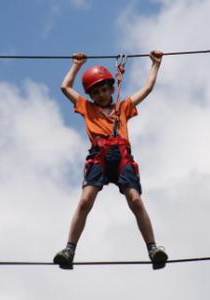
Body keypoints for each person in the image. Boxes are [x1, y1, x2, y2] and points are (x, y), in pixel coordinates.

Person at [53, 50, 168, 270]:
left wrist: (155, 64)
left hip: (122, 157)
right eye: (96, 92)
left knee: (135, 200)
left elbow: (147, 89)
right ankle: (69, 249)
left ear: (111, 88)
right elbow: (65, 87)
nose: (101, 94)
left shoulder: (122, 107)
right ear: (91, 95)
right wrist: (76, 65)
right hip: (99, 157)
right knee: (85, 201)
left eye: (104, 89)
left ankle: (153, 249)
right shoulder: (87, 108)